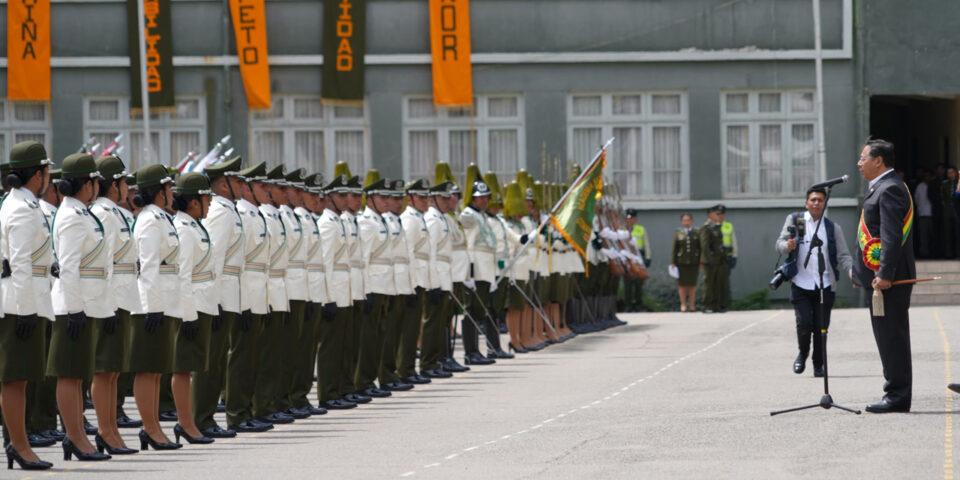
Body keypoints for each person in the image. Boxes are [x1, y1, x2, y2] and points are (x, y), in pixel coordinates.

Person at [1, 141, 55, 470]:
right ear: (38, 174)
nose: (48, 176)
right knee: (15, 378)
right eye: (46, 170)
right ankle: (19, 446)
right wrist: (24, 309)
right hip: (20, 301)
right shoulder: (20, 208)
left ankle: (18, 443)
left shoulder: (26, 204)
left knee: (20, 378)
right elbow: (20, 262)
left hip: (29, 296)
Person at [854, 139, 916, 413]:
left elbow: (891, 236)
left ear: (879, 161)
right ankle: (895, 392)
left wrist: (884, 273)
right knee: (887, 336)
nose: (859, 163)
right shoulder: (882, 187)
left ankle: (897, 395)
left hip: (889, 282)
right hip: (882, 279)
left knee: (892, 337)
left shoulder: (889, 188)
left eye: (863, 158)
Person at [129, 164, 182, 450]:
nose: (172, 192)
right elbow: (147, 266)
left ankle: (154, 426)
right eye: (168, 187)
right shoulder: (150, 220)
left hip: (164, 300)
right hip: (152, 303)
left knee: (156, 369)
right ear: (159, 191)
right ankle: (149, 428)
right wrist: (151, 307)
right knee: (148, 369)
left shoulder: (160, 217)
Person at [88, 154, 139, 455]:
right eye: (123, 183)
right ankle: (105, 430)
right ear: (114, 185)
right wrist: (106, 303)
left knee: (114, 370)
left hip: (123, 295)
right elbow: (103, 262)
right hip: (110, 296)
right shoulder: (104, 214)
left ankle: (112, 429)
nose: (127, 189)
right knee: (104, 369)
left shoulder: (118, 213)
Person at [775, 187, 854, 377]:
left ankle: (819, 364)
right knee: (804, 324)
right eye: (813, 200)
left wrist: (852, 272)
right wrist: (788, 245)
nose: (816, 203)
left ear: (825, 204)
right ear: (806, 203)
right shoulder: (796, 221)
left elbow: (844, 255)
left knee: (821, 328)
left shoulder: (832, 227)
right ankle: (802, 354)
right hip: (801, 283)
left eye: (820, 200)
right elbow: (779, 244)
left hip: (824, 284)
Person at [193, 156, 242, 438]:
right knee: (211, 361)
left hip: (227, 292)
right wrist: (216, 299)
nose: (241, 186)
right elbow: (214, 257)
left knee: (218, 359)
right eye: (236, 181)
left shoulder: (226, 209)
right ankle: (202, 418)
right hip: (219, 293)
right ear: (223, 185)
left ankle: (206, 416)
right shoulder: (221, 212)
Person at [168, 172, 216, 445]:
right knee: (183, 367)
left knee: (191, 366)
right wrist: (187, 315)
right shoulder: (184, 230)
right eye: (206, 197)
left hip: (202, 303)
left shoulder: (194, 225)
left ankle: (189, 421)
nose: (209, 203)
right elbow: (182, 275)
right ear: (194, 202)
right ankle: (185, 423)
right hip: (192, 305)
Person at [226, 161, 273, 432]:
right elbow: (234, 261)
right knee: (242, 356)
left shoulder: (253, 213)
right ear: (246, 187)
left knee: (254, 355)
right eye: (261, 185)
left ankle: (252, 409)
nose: (266, 190)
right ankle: (237, 412)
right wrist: (240, 301)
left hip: (256, 291)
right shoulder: (240, 213)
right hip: (242, 292)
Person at [316, 173, 359, 409]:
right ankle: (328, 393)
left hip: (345, 290)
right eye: (341, 195)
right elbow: (326, 264)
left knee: (344, 344)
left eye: (347, 195)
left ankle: (343, 388)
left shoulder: (339, 222)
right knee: (331, 347)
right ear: (329, 197)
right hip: (335, 292)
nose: (346, 199)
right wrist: (328, 298)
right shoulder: (327, 224)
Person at [398, 179, 438, 382]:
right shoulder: (410, 219)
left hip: (421, 279)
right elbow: (409, 254)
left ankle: (409, 369)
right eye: (421, 198)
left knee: (414, 327)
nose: (425, 201)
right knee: (409, 328)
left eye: (427, 197)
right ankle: (405, 370)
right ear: (411, 198)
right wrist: (412, 284)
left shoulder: (419, 218)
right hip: (413, 281)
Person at [700, 205, 730, 313]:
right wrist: (710, 259)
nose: (718, 216)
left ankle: (716, 305)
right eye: (715, 214)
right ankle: (706, 305)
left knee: (717, 283)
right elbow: (705, 245)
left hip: (718, 260)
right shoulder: (706, 227)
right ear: (710, 215)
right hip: (710, 261)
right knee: (709, 283)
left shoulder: (715, 226)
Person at [670, 213, 700, 312]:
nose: (686, 222)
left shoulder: (696, 232)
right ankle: (683, 304)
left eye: (688, 220)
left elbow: (700, 248)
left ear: (692, 221)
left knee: (692, 284)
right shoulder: (678, 233)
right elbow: (675, 248)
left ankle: (691, 304)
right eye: (684, 220)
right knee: (682, 285)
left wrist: (700, 260)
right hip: (681, 262)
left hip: (693, 262)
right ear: (682, 222)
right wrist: (673, 261)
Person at [625, 210, 651, 312]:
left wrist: (648, 257)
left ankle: (638, 304)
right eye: (628, 218)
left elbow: (646, 244)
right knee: (627, 282)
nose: (630, 220)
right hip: (626, 257)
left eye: (632, 218)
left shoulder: (641, 229)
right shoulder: (621, 229)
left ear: (635, 219)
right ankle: (628, 305)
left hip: (639, 257)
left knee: (639, 282)